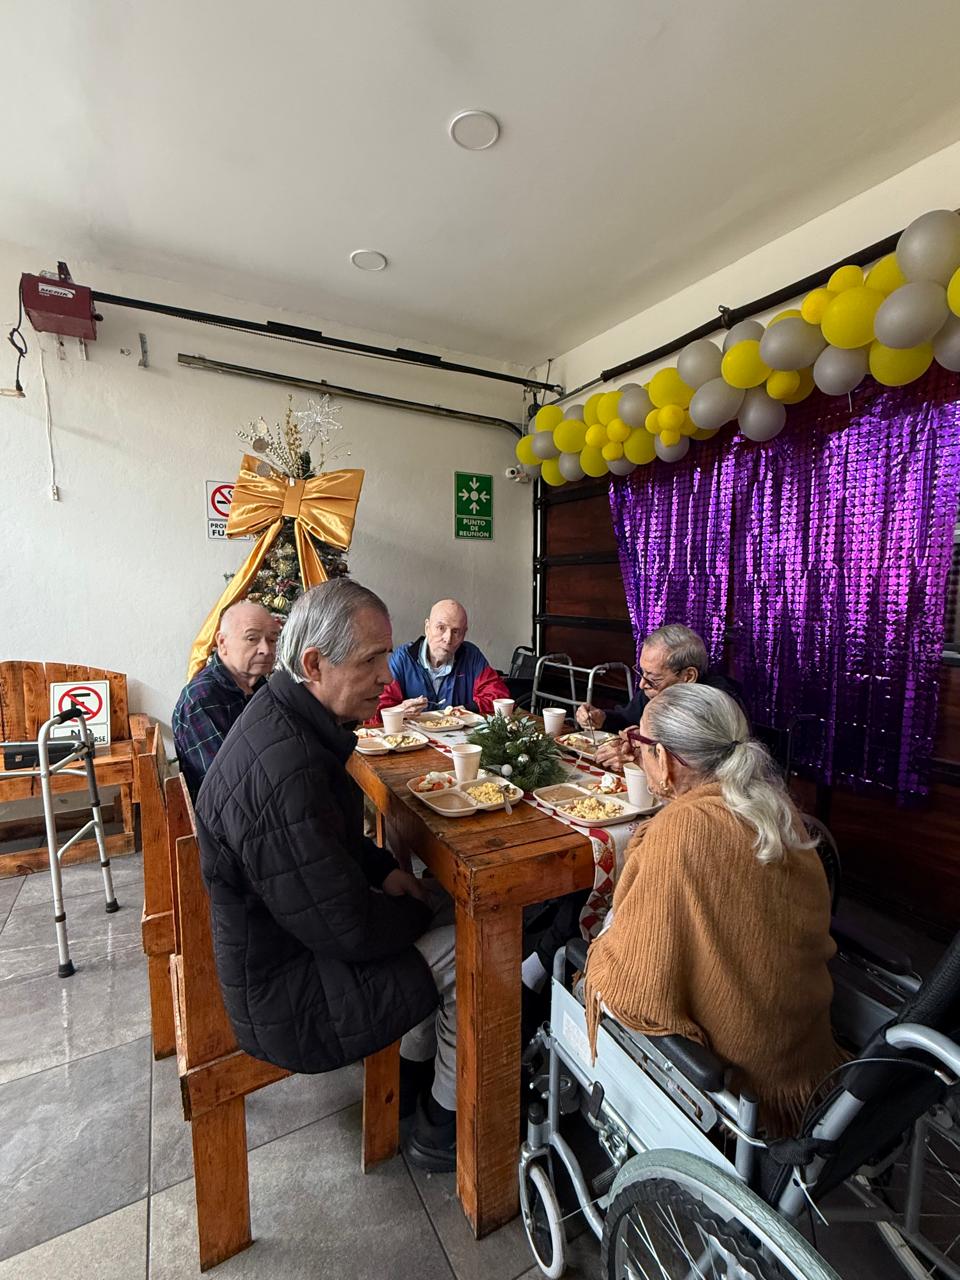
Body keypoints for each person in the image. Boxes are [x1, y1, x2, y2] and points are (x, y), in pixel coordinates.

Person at [193, 580, 459, 1172]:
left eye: (386, 658)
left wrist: (385, 870)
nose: (388, 679)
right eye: (369, 661)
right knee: (472, 946)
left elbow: (325, 842)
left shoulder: (288, 716)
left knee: (441, 905)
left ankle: (414, 1081)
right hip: (289, 997)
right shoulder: (285, 768)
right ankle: (444, 1123)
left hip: (288, 947)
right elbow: (349, 929)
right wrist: (417, 907)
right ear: (313, 663)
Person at [582, 683, 842, 1133]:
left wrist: (598, 950)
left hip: (746, 1078)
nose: (635, 755)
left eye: (640, 747)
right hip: (805, 1052)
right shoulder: (778, 807)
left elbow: (632, 985)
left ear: (662, 759)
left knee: (587, 953)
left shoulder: (681, 830)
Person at [575, 623, 744, 770]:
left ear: (688, 676)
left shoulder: (717, 702)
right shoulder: (654, 690)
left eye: (653, 678)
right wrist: (602, 718)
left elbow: (698, 763)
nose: (642, 684)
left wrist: (641, 753)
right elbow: (626, 719)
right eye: (642, 673)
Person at [173, 600, 281, 801]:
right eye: (252, 639)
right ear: (222, 643)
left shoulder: (260, 686)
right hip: (229, 818)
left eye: (272, 640)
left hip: (264, 798)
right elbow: (230, 784)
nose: (266, 650)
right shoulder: (202, 698)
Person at [377, 597, 510, 718]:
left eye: (456, 631)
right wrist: (400, 711)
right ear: (427, 627)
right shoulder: (403, 659)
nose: (448, 639)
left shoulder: (471, 656)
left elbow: (500, 697)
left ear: (464, 634)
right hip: (415, 741)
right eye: (441, 628)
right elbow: (377, 710)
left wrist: (468, 709)